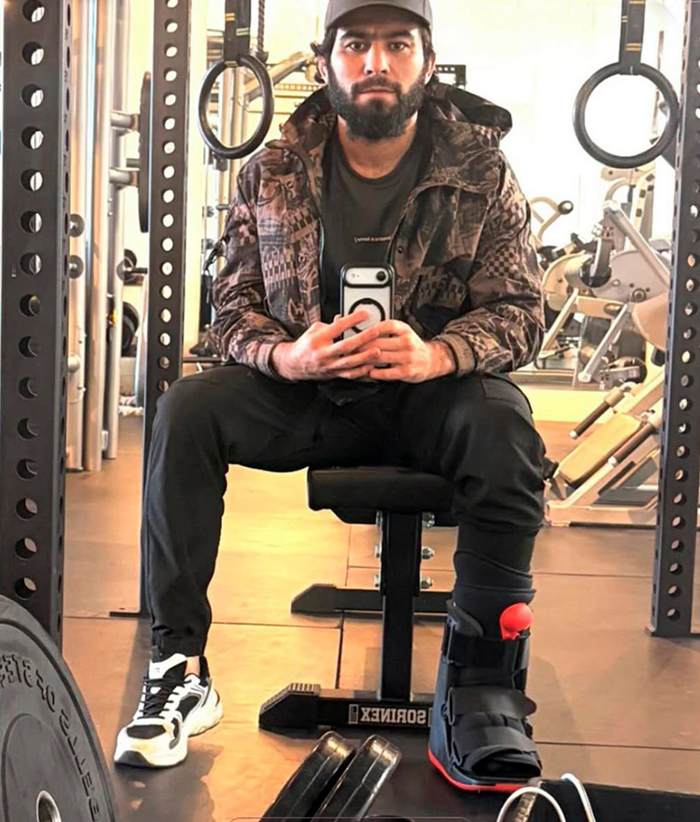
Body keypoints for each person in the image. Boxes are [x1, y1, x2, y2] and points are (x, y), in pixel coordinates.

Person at [114, 0, 547, 792]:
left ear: (426, 61)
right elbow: (231, 308)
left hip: (428, 398)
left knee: (505, 426)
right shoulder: (273, 169)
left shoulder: (482, 171)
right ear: (326, 63)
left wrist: (437, 354)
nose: (376, 62)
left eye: (397, 44)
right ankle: (179, 670)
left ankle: (483, 688)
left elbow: (520, 311)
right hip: (308, 397)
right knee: (186, 409)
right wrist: (286, 355)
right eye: (356, 45)